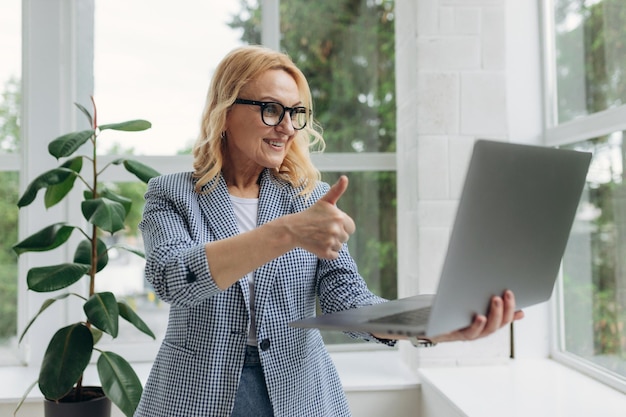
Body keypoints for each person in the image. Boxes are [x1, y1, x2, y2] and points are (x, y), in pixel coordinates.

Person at [134, 45, 524, 417]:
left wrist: (428, 327)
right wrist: (287, 232)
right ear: (225, 111)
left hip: (297, 393)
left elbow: (345, 299)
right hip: (197, 395)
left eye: (296, 113)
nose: (287, 127)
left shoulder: (311, 199)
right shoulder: (172, 194)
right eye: (271, 109)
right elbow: (173, 279)